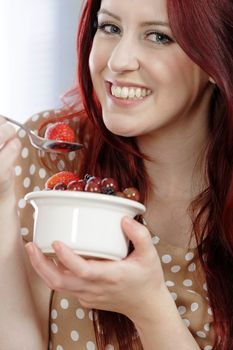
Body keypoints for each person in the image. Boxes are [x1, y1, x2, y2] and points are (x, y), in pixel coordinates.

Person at [1, 0, 233, 348]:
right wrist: (3, 197)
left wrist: (149, 307)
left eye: (157, 36)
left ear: (215, 60)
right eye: (110, 28)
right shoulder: (51, 153)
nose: (118, 61)